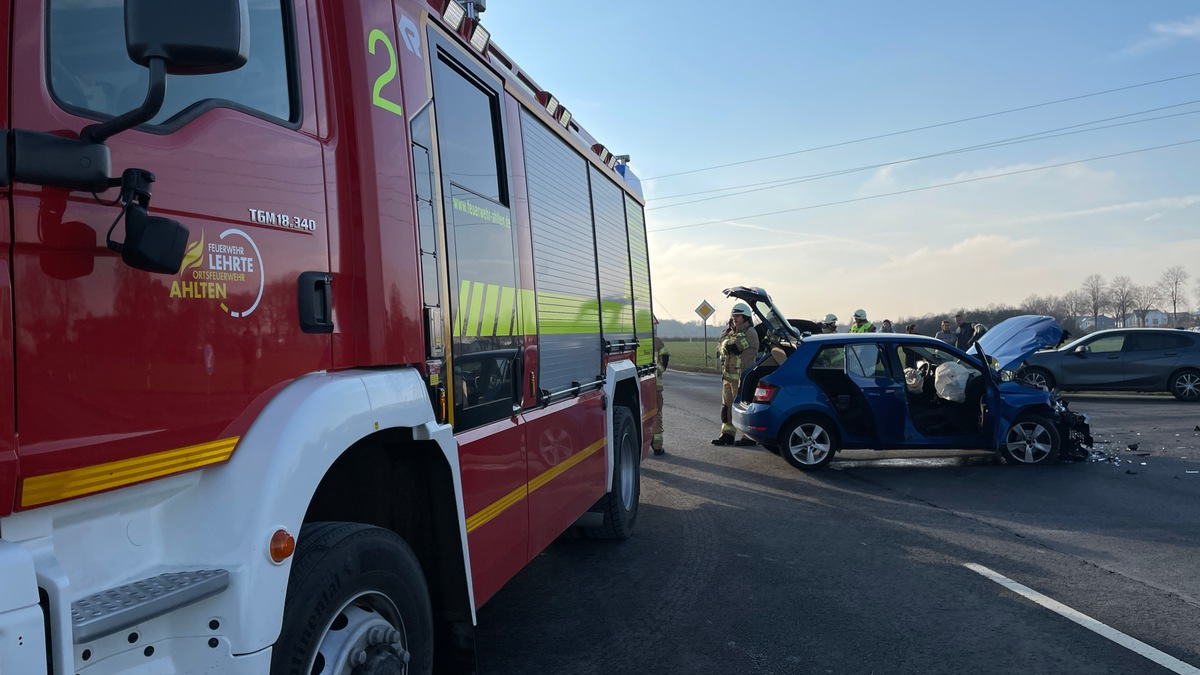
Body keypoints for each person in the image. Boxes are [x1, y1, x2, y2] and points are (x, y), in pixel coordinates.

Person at [712, 303, 759, 446]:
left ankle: (749, 437)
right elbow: (719, 346)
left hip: (742, 379)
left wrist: (725, 343)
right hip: (728, 378)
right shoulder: (731, 332)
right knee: (726, 408)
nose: (734, 319)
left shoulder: (750, 333)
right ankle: (727, 434)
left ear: (746, 317)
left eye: (737, 316)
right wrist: (725, 342)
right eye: (733, 316)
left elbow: (734, 348)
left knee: (745, 408)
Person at [652, 316, 670, 456]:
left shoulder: (634, 340)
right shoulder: (656, 341)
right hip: (655, 387)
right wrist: (657, 372)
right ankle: (657, 446)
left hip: (638, 387)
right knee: (657, 415)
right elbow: (665, 358)